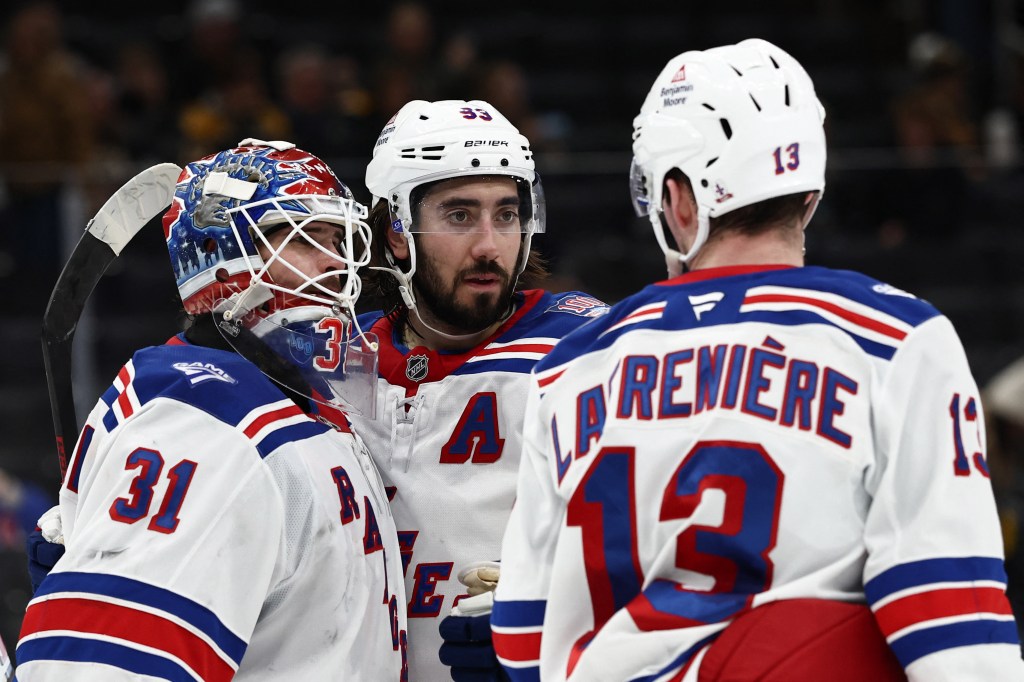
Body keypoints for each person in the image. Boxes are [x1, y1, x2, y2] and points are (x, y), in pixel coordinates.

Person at [491, 38, 1024, 681]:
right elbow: (952, 627)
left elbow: (522, 637)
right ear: (808, 193)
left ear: (679, 200)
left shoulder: (570, 365)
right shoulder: (897, 338)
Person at [15, 140, 408, 680]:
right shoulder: (204, 423)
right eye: (308, 238)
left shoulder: (296, 401)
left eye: (340, 240)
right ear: (223, 256)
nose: (337, 266)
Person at [354, 99, 609, 680]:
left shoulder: (585, 352)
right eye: (461, 216)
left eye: (507, 214)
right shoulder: (331, 362)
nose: (491, 245)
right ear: (397, 229)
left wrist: (558, 626)